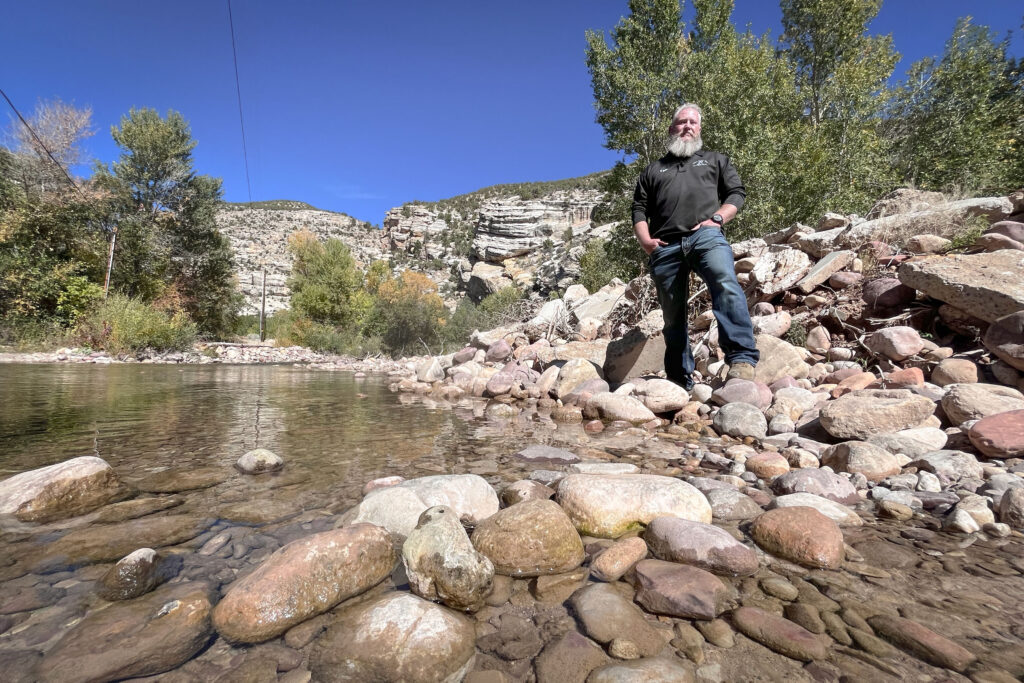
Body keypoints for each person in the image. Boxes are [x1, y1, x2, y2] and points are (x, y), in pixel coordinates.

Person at [631, 103, 759, 390]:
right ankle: (679, 379)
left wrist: (717, 219)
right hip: (664, 246)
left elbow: (736, 193)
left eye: (693, 122)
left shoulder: (715, 159)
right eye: (681, 122)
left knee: (725, 282)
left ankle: (741, 359)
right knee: (672, 314)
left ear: (699, 129)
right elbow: (638, 209)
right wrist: (646, 241)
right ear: (671, 128)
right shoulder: (653, 170)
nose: (687, 126)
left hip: (706, 236)